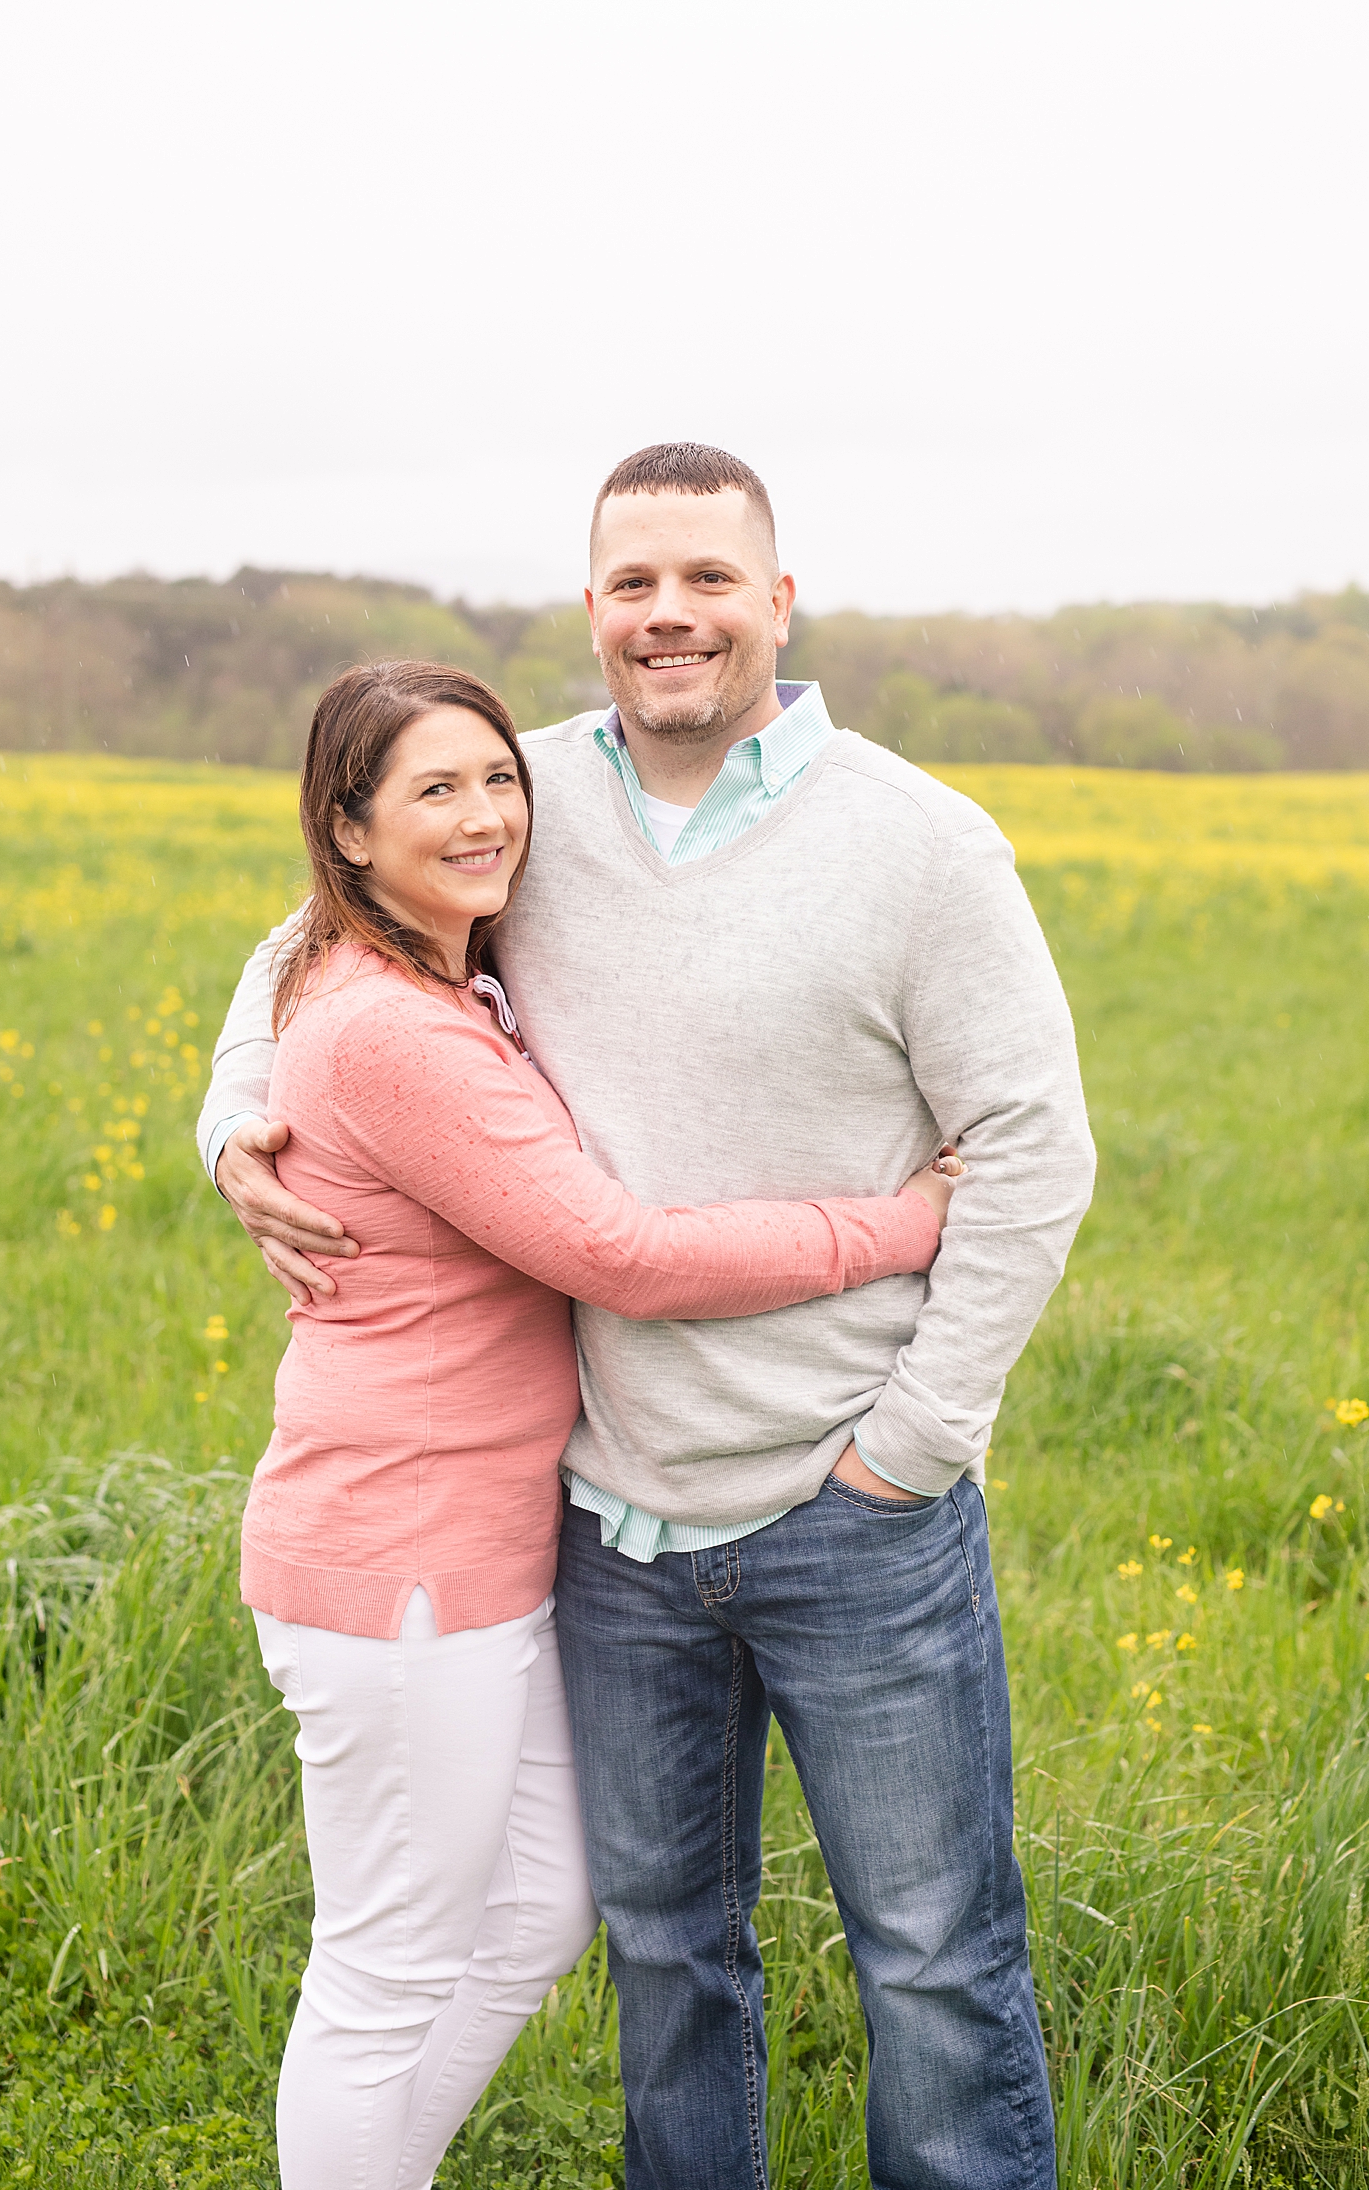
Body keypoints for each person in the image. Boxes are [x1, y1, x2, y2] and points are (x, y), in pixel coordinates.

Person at [202, 443, 1096, 2190]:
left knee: (932, 1962)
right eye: (632, 583)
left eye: (707, 579)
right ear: (591, 608)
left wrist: (912, 1451)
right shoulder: (518, 802)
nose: (668, 615)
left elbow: (1033, 1155)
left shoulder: (922, 844)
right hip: (607, 1518)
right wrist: (236, 1113)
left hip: (857, 1508)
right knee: (669, 1954)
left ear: (778, 598)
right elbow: (305, 948)